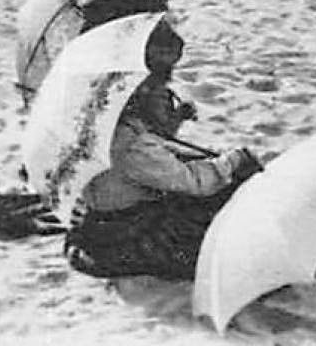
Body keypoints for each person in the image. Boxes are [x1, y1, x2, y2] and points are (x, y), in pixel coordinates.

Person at [64, 24, 261, 280]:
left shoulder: (100, 125)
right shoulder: (130, 143)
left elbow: (154, 150)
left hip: (105, 219)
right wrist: (233, 161)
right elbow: (194, 182)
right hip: (129, 233)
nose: (162, 95)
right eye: (154, 90)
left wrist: (175, 121)